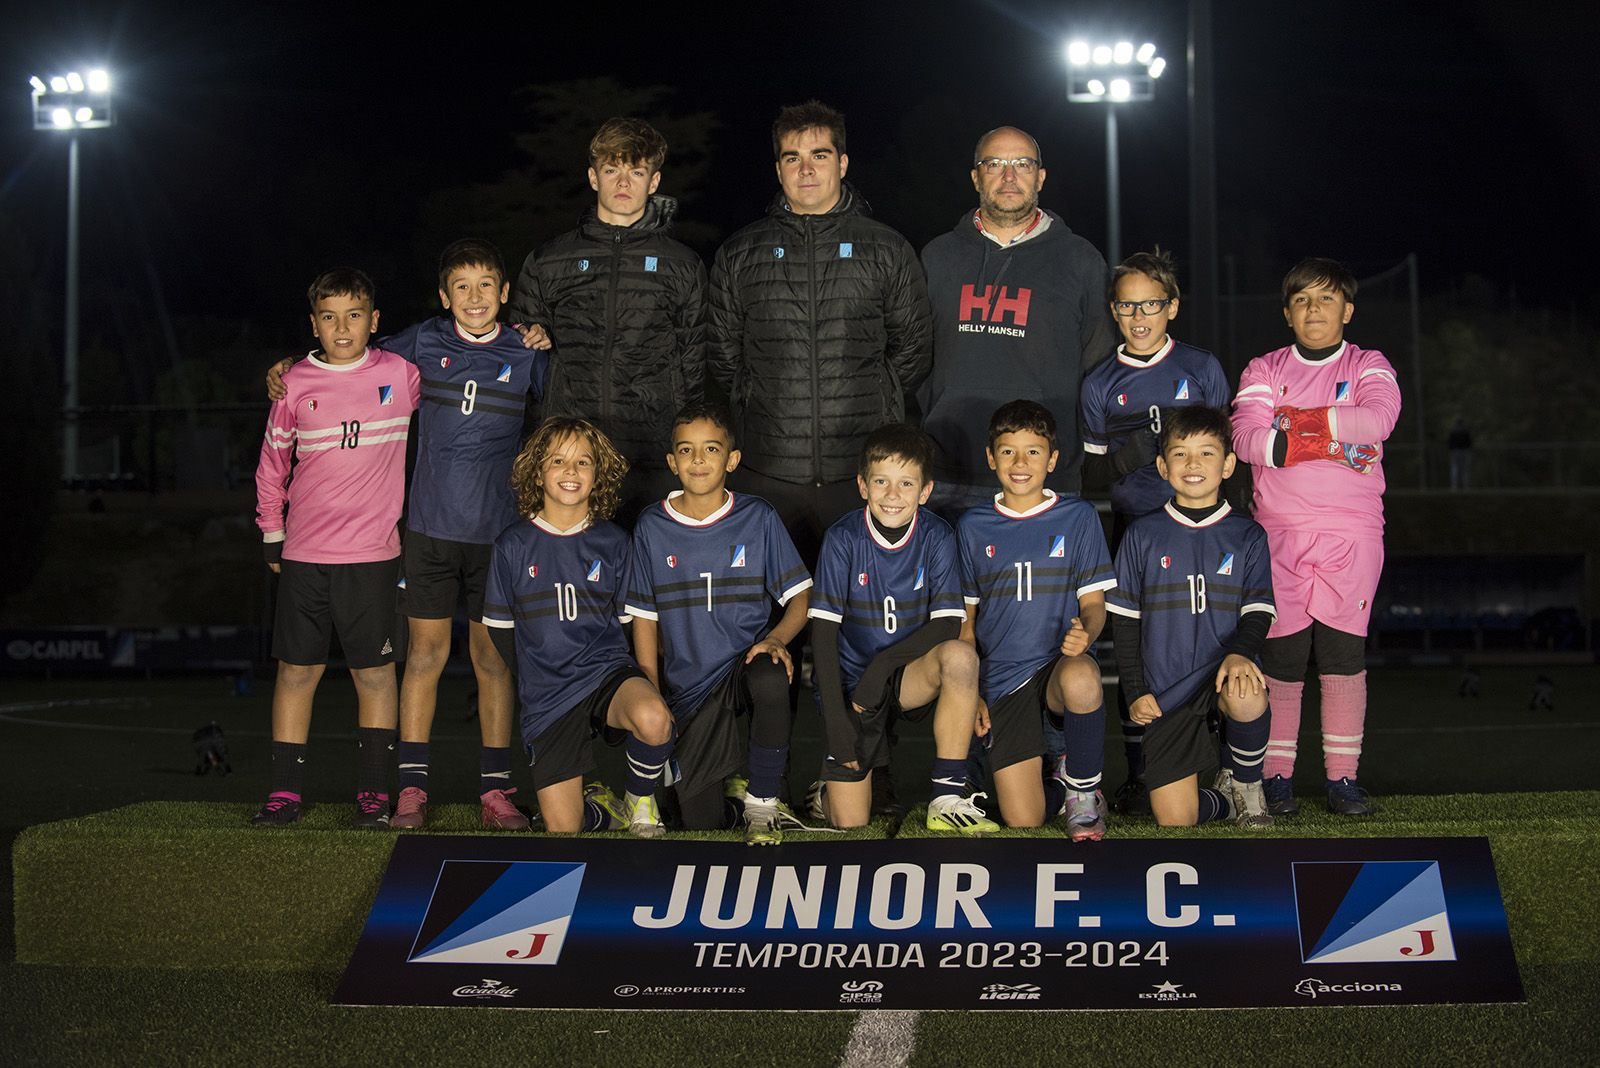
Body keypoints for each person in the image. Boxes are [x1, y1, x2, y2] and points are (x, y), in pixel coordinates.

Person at [265, 239, 549, 830]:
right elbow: (347, 353)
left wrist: (541, 334)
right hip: (426, 533)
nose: (475, 298)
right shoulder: (418, 344)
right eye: (461, 287)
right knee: (423, 657)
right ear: (445, 298)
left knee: (493, 661)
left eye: (486, 285)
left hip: (500, 535)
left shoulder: (530, 355)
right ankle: (410, 789)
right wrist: (289, 366)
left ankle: (496, 791)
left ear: (505, 293)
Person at [706, 99, 932, 566]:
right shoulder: (740, 252)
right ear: (778, 168)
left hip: (860, 469)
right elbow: (724, 355)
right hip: (768, 470)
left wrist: (870, 398)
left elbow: (912, 349)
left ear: (843, 163)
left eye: (820, 156)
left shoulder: (886, 247)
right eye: (793, 158)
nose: (806, 170)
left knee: (856, 613)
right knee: (770, 616)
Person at [251, 268, 420, 828]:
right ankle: (284, 795)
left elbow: (463, 354)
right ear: (314, 324)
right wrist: (273, 533)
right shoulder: (294, 383)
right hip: (304, 554)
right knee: (296, 672)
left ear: (375, 321)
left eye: (354, 315)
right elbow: (272, 467)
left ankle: (374, 795)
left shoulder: (400, 372)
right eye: (329, 316)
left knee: (374, 675)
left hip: (373, 557)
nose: (342, 327)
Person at [1232, 257, 1401, 817]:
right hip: (1277, 535)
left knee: (1341, 657)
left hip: (1352, 534)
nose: (1314, 309)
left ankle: (1342, 780)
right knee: (1281, 659)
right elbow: (1248, 441)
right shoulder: (1263, 368)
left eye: (1326, 299)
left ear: (1347, 311)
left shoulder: (1370, 363)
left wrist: (1297, 422)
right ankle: (1276, 779)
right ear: (1287, 313)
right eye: (1302, 300)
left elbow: (1377, 421)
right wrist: (1333, 428)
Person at [1079, 249, 1232, 816]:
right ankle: (1140, 773)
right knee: (1138, 652)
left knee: (1202, 645)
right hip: (1135, 532)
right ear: (1113, 311)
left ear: (1172, 306)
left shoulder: (1201, 367)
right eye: (1127, 305)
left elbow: (1225, 451)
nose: (1139, 315)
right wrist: (1133, 455)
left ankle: (1218, 769)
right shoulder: (1100, 382)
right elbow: (1090, 471)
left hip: (1199, 531)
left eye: (1150, 303)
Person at [624, 402, 814, 844]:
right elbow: (645, 620)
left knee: (770, 674)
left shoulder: (758, 517)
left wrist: (776, 639)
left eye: (711, 449)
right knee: (700, 822)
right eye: (686, 451)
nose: (698, 460)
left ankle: (763, 802)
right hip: (688, 688)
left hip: (742, 666)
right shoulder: (652, 526)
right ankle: (724, 791)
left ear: (732, 459)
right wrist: (650, 687)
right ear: (672, 462)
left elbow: (801, 598)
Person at [482, 417, 677, 836]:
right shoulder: (512, 546)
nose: (570, 472)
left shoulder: (613, 542)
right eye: (558, 461)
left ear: (597, 475)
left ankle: (640, 800)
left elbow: (632, 622)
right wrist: (539, 675)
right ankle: (606, 811)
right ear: (538, 471)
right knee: (564, 830)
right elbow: (500, 632)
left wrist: (641, 680)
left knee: (654, 717)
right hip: (549, 696)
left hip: (604, 674)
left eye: (583, 463)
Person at [508, 118, 707, 523]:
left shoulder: (682, 264)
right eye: (612, 170)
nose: (623, 182)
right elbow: (521, 351)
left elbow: (695, 361)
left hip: (650, 451)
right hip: (573, 453)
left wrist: (681, 442)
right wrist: (532, 334)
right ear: (593, 176)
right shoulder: (550, 259)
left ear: (653, 182)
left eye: (636, 171)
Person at [806, 423, 998, 835]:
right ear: (862, 485)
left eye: (906, 484)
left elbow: (948, 621)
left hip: (907, 675)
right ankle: (824, 790)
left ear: (924, 491)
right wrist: (837, 721)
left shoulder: (937, 535)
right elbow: (822, 635)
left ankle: (947, 795)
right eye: (881, 482)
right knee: (851, 821)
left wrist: (884, 668)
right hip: (853, 687)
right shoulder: (843, 538)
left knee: (961, 657)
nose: (893, 495)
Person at [918, 126, 1115, 516]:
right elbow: (913, 357)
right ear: (976, 177)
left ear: (1040, 176)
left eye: (1022, 164)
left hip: (1045, 478)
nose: (1009, 176)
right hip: (949, 474)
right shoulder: (937, 257)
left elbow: (1100, 364)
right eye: (995, 164)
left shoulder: (1080, 260)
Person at [1104, 406, 1276, 828]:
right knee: (1175, 819)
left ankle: (1248, 785)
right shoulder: (1141, 534)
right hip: (1168, 692)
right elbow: (1125, 622)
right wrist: (1135, 691)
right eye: (1180, 454)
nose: (1193, 465)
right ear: (1163, 466)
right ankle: (1226, 801)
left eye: (1207, 454)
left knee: (1245, 688)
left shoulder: (1247, 534)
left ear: (1229, 464)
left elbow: (1258, 612)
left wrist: (1239, 655)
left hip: (1221, 674)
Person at [956, 400, 1116, 836]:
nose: (1021, 463)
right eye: (1008, 451)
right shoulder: (973, 526)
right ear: (991, 458)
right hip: (1003, 680)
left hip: (1057, 670)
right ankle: (1057, 782)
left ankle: (1084, 793)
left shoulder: (1078, 517)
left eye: (1033, 451)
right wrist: (972, 692)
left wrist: (1087, 634)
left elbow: (1095, 605)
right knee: (1022, 818)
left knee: (1084, 678)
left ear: (1053, 459)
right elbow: (966, 624)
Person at [1447, 416, 1473, 490]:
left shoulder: (1453, 431)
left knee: (1455, 468)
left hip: (1455, 451)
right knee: (1465, 469)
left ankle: (1454, 486)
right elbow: (1469, 442)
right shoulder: (1465, 431)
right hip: (1464, 451)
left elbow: (1449, 443)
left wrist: (1451, 449)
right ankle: (1466, 486)